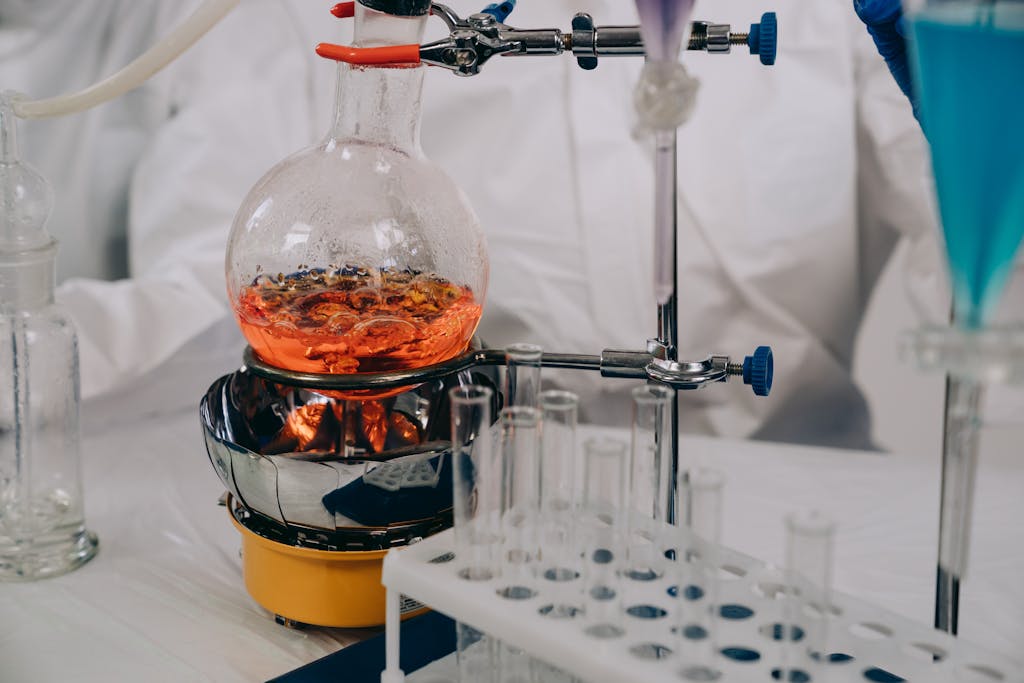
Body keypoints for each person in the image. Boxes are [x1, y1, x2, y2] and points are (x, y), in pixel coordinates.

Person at [9, 0, 936, 449]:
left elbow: (988, 299)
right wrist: (22, 352)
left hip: (807, 529)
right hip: (470, 548)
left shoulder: (839, 15)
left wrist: (979, 116)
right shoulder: (298, 17)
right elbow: (210, 312)